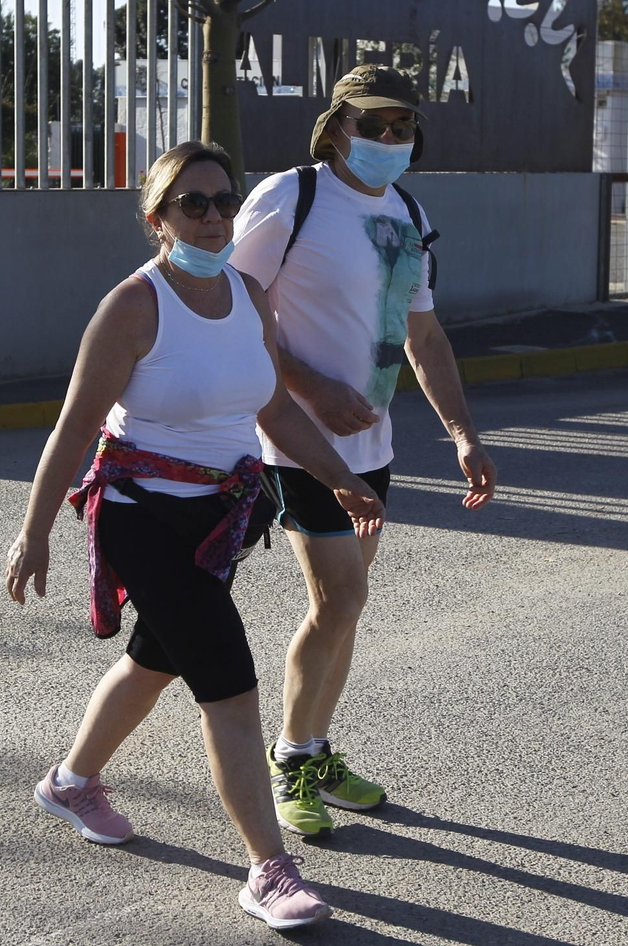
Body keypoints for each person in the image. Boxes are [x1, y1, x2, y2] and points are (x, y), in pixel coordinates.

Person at [4, 141, 386, 930]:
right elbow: (74, 426)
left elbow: (274, 409)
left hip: (223, 520)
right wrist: (32, 532)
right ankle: (269, 868)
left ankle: (72, 781)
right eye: (193, 203)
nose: (213, 216)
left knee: (157, 660)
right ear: (157, 218)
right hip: (143, 512)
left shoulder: (249, 293)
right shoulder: (134, 307)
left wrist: (337, 474)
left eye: (222, 199)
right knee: (229, 681)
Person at [229, 66, 499, 838]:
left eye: (402, 125)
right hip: (298, 440)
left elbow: (425, 336)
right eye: (373, 122)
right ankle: (291, 759)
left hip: (372, 442)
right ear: (337, 125)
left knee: (342, 610)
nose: (389, 137)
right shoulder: (292, 197)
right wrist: (309, 383)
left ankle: (310, 748)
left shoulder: (409, 210)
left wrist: (463, 433)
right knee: (340, 600)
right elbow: (232, 308)